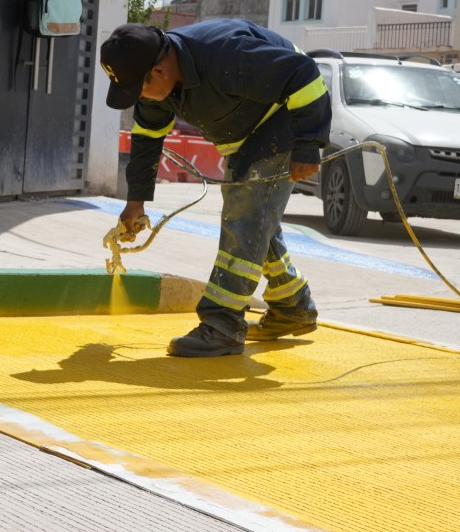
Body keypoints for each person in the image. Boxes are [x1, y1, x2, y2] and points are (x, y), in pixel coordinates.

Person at [100, 19, 330, 357]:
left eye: (138, 88)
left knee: (245, 219)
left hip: (282, 120)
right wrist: (136, 202)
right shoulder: (157, 84)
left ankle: (223, 324)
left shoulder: (226, 55)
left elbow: (304, 74)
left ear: (160, 71)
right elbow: (147, 139)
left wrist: (308, 145)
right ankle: (293, 306)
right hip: (243, 135)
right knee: (255, 221)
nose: (139, 97)